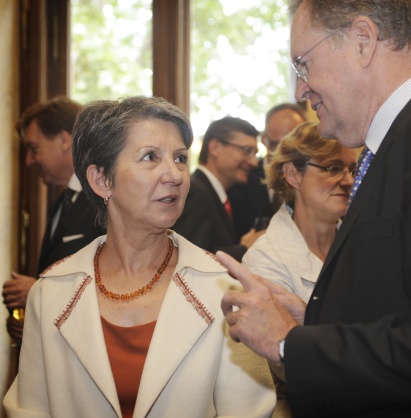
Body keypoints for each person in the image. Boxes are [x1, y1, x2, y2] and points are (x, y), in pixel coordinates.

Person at [219, 0, 411, 416]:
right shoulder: (401, 140)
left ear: (363, 41)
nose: (300, 90)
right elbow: (407, 306)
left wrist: (289, 343)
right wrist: (313, 320)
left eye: (303, 64)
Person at [3, 96, 276, 418]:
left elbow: (249, 411)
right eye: (150, 157)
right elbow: (29, 409)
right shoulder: (50, 292)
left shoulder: (227, 290)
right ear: (101, 180)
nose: (175, 174)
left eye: (180, 158)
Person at [2, 95, 105, 344]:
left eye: (33, 148)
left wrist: (37, 291)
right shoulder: (62, 202)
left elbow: (113, 285)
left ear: (63, 141)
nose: (29, 161)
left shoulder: (103, 200)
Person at [243, 121, 356, 302]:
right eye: (333, 169)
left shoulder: (363, 245)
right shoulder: (264, 260)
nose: (349, 181)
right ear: (292, 174)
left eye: (352, 170)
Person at [173, 116, 265, 261]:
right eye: (247, 150)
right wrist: (244, 248)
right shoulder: (195, 192)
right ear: (215, 147)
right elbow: (187, 258)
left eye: (255, 153)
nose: (254, 162)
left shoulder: (214, 193)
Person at [228, 104, 307, 239]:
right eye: (276, 145)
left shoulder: (314, 179)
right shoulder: (241, 179)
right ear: (264, 140)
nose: (284, 154)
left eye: (294, 147)